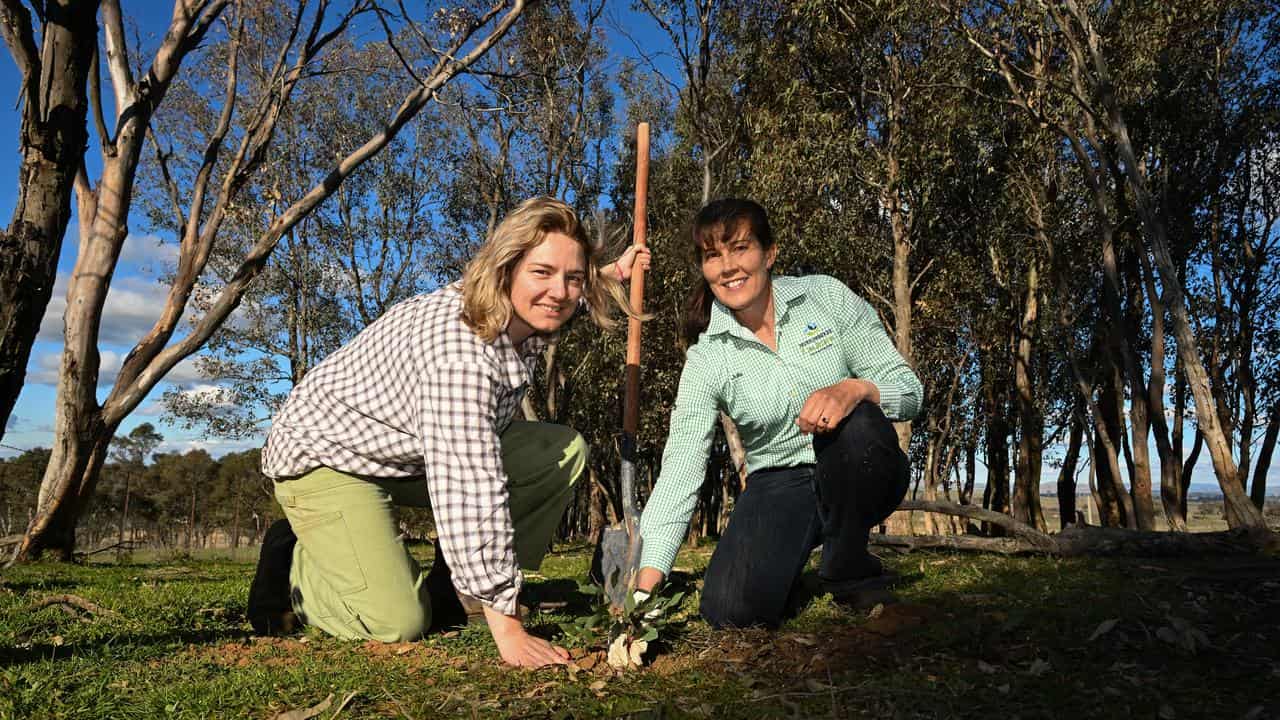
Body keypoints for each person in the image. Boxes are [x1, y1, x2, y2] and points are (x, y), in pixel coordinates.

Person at [248, 197, 649, 668]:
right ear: (505, 269)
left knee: (559, 450)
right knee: (399, 621)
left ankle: (460, 590)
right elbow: (469, 487)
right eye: (542, 273)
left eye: (574, 277)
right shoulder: (462, 358)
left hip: (400, 451)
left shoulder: (517, 306)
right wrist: (509, 627)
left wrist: (609, 274)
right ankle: (294, 564)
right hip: (325, 458)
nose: (560, 292)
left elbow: (557, 287)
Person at [635, 198, 922, 629]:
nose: (727, 266)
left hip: (857, 461)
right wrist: (645, 586)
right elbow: (682, 467)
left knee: (859, 426)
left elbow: (910, 390)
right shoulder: (706, 358)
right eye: (713, 255)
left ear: (769, 253)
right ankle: (794, 569)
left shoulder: (825, 297)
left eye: (741, 248)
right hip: (779, 481)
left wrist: (854, 389)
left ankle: (848, 561)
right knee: (729, 611)